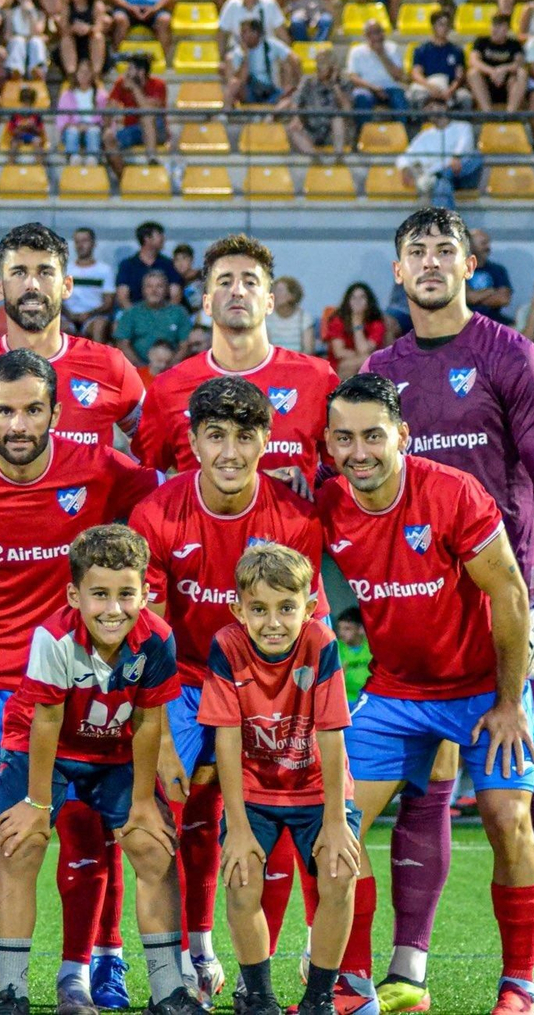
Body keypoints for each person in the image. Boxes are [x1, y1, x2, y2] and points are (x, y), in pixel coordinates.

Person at [359, 209, 534, 1015]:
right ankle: (407, 970)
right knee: (425, 787)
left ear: (469, 264)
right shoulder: (382, 368)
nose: (428, 261)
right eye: (414, 250)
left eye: (443, 249)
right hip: (420, 615)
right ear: (396, 269)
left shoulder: (509, 355)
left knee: (532, 783)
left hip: (506, 606)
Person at [0, 349, 160, 1015]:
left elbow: (162, 509)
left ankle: (76, 977)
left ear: (57, 412)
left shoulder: (99, 470)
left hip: (71, 686)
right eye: (6, 409)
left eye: (33, 408)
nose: (19, 422)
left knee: (83, 829)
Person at [318, 373, 534, 1015]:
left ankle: (520, 986)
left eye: (373, 435)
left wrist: (508, 702)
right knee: (336, 826)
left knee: (508, 820)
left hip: (482, 691)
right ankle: (356, 987)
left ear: (403, 436)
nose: (359, 450)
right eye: (344, 438)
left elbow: (508, 592)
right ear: (329, 444)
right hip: (394, 695)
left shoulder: (452, 492)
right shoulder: (329, 505)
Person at [128, 376, 328, 1007]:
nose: (231, 452)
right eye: (216, 437)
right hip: (181, 683)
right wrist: (160, 740)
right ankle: (169, 978)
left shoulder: (294, 516)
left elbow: (305, 632)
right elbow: (151, 639)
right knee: (155, 819)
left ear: (267, 440)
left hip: (265, 688)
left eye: (246, 437)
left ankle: (281, 970)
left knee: (288, 816)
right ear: (192, 441)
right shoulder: (156, 514)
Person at [0, 524, 193, 1015]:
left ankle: (169, 992)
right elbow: (47, 719)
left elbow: (147, 720)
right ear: (73, 595)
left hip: (114, 753)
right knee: (21, 844)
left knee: (153, 846)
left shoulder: (157, 639)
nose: (114, 608)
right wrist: (38, 805)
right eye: (99, 594)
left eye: (127, 594)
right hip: (46, 746)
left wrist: (143, 802)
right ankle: (11, 991)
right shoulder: (54, 637)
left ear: (146, 593)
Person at [200, 544, 358, 1015]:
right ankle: (260, 999)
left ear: (309, 608)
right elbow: (226, 739)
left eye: (287, 608)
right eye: (259, 609)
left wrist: (334, 821)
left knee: (339, 873)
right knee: (242, 878)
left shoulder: (321, 643)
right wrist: (238, 825)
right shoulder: (227, 645)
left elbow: (331, 736)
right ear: (238, 610)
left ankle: (318, 999)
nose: (273, 622)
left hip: (316, 789)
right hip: (253, 790)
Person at [0, 222, 145, 458]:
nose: (32, 284)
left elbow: (154, 447)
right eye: (19, 272)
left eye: (45, 272)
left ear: (66, 286)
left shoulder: (110, 366)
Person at [134, 234, 338, 485]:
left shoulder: (317, 378)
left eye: (250, 282)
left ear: (269, 302)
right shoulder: (168, 387)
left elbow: (340, 472)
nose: (238, 291)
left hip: (293, 525)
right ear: (206, 304)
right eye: (224, 282)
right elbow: (145, 478)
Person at [102, 53, 167, 177]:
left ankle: (151, 158)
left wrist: (134, 88)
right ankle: (124, 178)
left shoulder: (158, 85)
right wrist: (107, 128)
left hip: (157, 130)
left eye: (130, 69)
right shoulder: (122, 83)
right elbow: (109, 111)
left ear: (141, 72)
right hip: (132, 131)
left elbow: (147, 110)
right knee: (108, 138)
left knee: (146, 118)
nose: (126, 72)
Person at [114, 271, 192, 367]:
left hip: (172, 368)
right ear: (143, 290)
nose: (154, 291)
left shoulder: (179, 312)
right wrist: (141, 368)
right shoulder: (131, 313)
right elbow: (123, 344)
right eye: (149, 286)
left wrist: (170, 367)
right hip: (138, 369)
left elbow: (185, 345)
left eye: (159, 286)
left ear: (167, 290)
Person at [222, 18, 299, 110]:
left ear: (256, 33)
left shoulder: (270, 44)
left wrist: (295, 83)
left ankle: (272, 119)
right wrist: (246, 57)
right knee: (234, 83)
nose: (241, 35)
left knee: (290, 95)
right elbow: (241, 80)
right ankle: (225, 114)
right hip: (250, 91)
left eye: (245, 32)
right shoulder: (238, 52)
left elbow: (294, 59)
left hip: (271, 90)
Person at [322, 283, 387, 380]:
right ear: (348, 301)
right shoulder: (338, 320)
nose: (358, 301)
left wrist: (357, 324)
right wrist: (361, 356)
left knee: (367, 362)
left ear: (369, 302)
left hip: (365, 362)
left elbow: (364, 349)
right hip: (340, 364)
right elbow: (339, 352)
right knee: (364, 361)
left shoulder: (376, 323)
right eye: (353, 298)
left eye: (362, 297)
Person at [409, 11, 472, 110]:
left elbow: (459, 77)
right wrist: (430, 87)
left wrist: (451, 90)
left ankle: (461, 124)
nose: (445, 28)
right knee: (414, 96)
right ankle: (420, 124)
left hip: (449, 88)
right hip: (428, 86)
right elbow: (416, 73)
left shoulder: (457, 51)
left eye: (447, 25)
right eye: (441, 24)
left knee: (465, 97)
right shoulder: (421, 50)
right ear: (433, 26)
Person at [346, 20, 408, 118]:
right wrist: (374, 88)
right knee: (361, 98)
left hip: (391, 87)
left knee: (399, 99)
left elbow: (399, 76)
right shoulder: (356, 51)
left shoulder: (392, 48)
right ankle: (362, 132)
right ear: (365, 35)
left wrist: (382, 54)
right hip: (367, 88)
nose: (376, 36)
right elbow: (353, 77)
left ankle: (402, 131)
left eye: (378, 32)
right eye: (371, 33)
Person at [59, 0, 108, 79]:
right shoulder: (68, 6)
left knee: (98, 37)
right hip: (74, 42)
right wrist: (74, 28)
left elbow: (99, 26)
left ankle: (96, 73)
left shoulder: (96, 5)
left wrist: (88, 29)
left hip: (90, 41)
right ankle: (71, 74)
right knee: (66, 39)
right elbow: (63, 28)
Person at [465, 229, 514, 324]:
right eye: (483, 243)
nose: (488, 247)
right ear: (470, 246)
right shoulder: (459, 269)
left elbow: (504, 299)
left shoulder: (498, 270)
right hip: (465, 322)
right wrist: (491, 291)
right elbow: (466, 298)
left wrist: (475, 297)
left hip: (494, 321)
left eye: (488, 243)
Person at [334, 607, 372, 702]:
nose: (341, 633)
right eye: (339, 628)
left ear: (361, 629)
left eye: (347, 629)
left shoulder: (373, 647)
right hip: (346, 701)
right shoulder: (334, 649)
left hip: (372, 699)